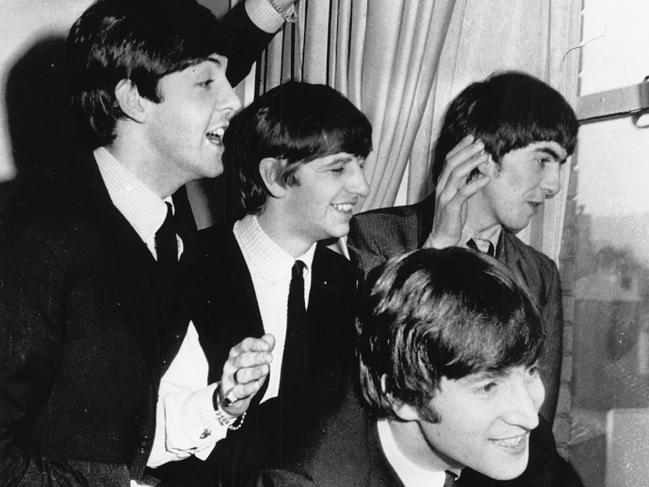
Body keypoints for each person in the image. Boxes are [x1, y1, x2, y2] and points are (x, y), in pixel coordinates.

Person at [0, 0, 293, 484]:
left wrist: (218, 405)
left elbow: (123, 430)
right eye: (206, 82)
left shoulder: (168, 231)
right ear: (133, 100)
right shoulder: (37, 242)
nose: (234, 101)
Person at [151, 81, 373, 487]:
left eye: (360, 164)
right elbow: (149, 438)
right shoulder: (188, 268)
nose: (361, 186)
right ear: (274, 176)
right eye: (339, 167)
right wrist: (222, 403)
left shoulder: (350, 282)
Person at [347, 71, 579, 422]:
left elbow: (536, 420)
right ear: (480, 156)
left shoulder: (539, 274)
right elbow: (373, 390)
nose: (554, 184)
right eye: (543, 160)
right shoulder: (373, 238)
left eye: (560, 165)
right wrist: (436, 251)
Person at [253, 248, 583, 487]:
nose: (528, 414)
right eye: (487, 387)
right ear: (401, 395)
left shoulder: (521, 438)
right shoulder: (308, 481)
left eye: (529, 371)